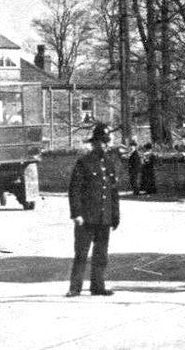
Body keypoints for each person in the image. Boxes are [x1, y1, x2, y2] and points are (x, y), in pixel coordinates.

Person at [66, 122, 120, 297]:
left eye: (106, 142)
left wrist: (115, 216)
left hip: (104, 217)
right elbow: (74, 190)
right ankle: (75, 288)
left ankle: (98, 286)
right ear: (94, 143)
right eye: (102, 142)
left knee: (101, 254)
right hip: (86, 217)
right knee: (81, 253)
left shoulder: (109, 164)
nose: (105, 145)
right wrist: (76, 214)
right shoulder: (84, 163)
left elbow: (113, 192)